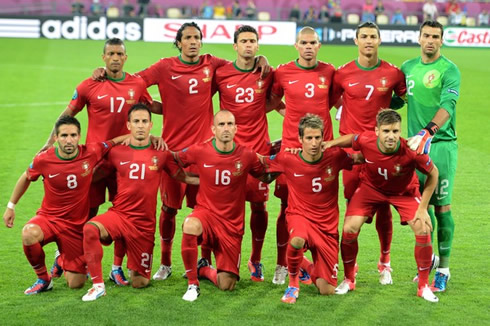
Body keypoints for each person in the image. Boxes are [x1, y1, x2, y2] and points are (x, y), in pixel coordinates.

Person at [118, 22, 270, 281]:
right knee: (168, 208)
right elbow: (134, 82)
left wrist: (261, 57)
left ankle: (205, 260)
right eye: (187, 38)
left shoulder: (213, 64)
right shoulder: (165, 66)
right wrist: (154, 106)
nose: (193, 42)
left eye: (197, 38)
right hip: (173, 152)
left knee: (208, 210)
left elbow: (242, 62)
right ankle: (165, 262)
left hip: (205, 155)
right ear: (178, 42)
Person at [41, 38, 158, 287]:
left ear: (126, 57)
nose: (115, 58)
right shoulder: (89, 85)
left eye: (119, 54)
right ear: (103, 57)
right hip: (93, 162)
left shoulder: (136, 84)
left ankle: (116, 268)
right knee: (84, 213)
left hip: (125, 161)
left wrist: (183, 104)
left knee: (125, 214)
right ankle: (68, 257)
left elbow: (149, 109)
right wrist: (50, 142)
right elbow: (67, 115)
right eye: (111, 53)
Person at [81, 104, 198, 301]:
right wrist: (69, 177)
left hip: (144, 225)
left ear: (151, 125)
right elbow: (95, 175)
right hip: (119, 214)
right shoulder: (117, 152)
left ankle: (122, 259)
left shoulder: (161, 153)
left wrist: (209, 178)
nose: (141, 125)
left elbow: (183, 176)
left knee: (140, 283)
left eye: (144, 121)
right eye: (136, 121)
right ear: (129, 125)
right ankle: (97, 285)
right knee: (90, 229)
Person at [3, 116, 127, 295]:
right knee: (28, 233)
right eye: (64, 136)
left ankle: (61, 259)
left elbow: (114, 141)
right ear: (55, 138)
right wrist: (10, 206)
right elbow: (26, 177)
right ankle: (44, 279)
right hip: (49, 219)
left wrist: (146, 138)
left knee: (76, 284)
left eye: (73, 135)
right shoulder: (43, 159)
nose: (69, 140)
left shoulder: (91, 151)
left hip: (75, 227)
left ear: (79, 136)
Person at [330, 109, 440, 303]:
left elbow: (434, 174)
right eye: (386, 131)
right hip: (370, 189)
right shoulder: (366, 140)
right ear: (377, 131)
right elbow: (352, 139)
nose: (391, 136)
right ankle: (349, 279)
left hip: (403, 192)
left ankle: (423, 286)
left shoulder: (412, 151)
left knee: (423, 228)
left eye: (395, 131)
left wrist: (423, 208)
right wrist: (329, 143)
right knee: (349, 229)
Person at [330, 22, 406, 286]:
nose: (368, 41)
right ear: (356, 41)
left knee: (384, 206)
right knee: (352, 207)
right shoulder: (342, 74)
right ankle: (351, 267)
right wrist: (344, 110)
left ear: (380, 40)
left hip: (381, 151)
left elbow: (401, 99)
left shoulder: (394, 74)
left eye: (373, 36)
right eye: (364, 37)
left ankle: (385, 261)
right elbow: (330, 99)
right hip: (352, 152)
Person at [214, 25, 284, 282]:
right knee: (222, 210)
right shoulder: (221, 73)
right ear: (235, 46)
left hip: (258, 152)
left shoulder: (267, 73)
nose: (247, 45)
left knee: (258, 206)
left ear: (258, 45)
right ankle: (220, 257)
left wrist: (291, 121)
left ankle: (255, 259)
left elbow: (278, 101)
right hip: (227, 153)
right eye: (243, 41)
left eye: (252, 41)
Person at [264, 114, 359, 304]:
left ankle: (303, 264)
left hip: (327, 227)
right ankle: (293, 285)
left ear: (324, 138)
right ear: (300, 139)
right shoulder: (288, 158)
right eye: (309, 138)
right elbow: (260, 164)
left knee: (327, 290)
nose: (314, 143)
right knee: (297, 239)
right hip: (300, 216)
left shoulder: (335, 156)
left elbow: (359, 158)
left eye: (317, 138)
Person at [178, 110, 270, 302]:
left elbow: (265, 176)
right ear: (213, 129)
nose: (226, 128)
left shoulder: (247, 155)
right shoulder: (200, 150)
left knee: (226, 285)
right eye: (221, 125)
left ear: (236, 128)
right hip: (207, 215)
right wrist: (187, 178)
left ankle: (202, 269)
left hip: (231, 225)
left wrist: (289, 161)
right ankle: (192, 284)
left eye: (229, 124)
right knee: (190, 225)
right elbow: (173, 160)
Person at [268, 26, 336, 285]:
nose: (308, 47)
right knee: (286, 207)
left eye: (313, 42)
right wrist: (290, 117)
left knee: (322, 205)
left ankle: (317, 262)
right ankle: (281, 264)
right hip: (290, 151)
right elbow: (273, 101)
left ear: (319, 45)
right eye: (303, 42)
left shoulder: (329, 72)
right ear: (296, 45)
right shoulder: (283, 71)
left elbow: (332, 102)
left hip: (321, 152)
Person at [402, 20, 460, 293]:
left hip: (441, 145)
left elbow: (448, 104)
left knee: (441, 206)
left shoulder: (449, 70)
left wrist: (429, 131)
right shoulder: (407, 68)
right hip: (414, 147)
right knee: (421, 207)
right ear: (419, 37)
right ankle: (431, 261)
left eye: (435, 37)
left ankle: (444, 269)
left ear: (441, 40)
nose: (430, 41)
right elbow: (396, 99)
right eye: (426, 35)